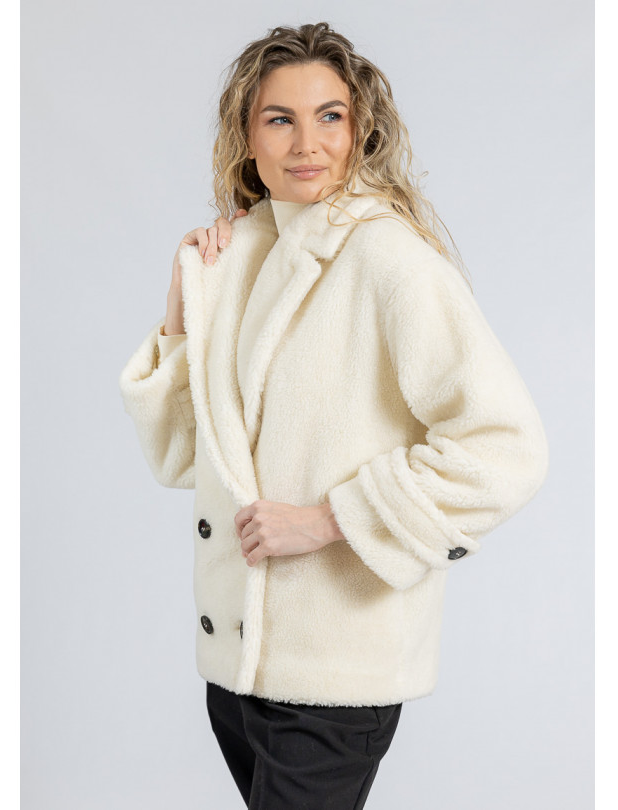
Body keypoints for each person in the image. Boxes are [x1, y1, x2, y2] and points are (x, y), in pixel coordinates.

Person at [119, 21, 549, 809]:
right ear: (247, 138)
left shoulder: (390, 258)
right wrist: (184, 308)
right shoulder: (236, 258)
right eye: (279, 118)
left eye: (330, 116)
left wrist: (329, 519)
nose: (306, 142)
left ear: (360, 131)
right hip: (237, 673)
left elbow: (506, 448)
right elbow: (179, 457)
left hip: (335, 673)